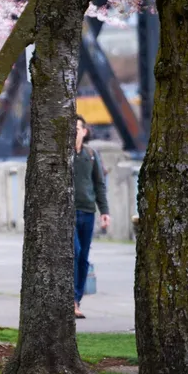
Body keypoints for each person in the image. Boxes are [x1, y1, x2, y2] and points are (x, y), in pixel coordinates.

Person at [73, 115, 110, 319]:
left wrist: (105, 211)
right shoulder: (63, 155)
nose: (74, 131)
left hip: (88, 211)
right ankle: (71, 299)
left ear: (84, 131)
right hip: (67, 212)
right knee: (75, 252)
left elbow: (99, 185)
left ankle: (77, 300)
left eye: (77, 127)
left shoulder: (92, 154)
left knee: (84, 258)